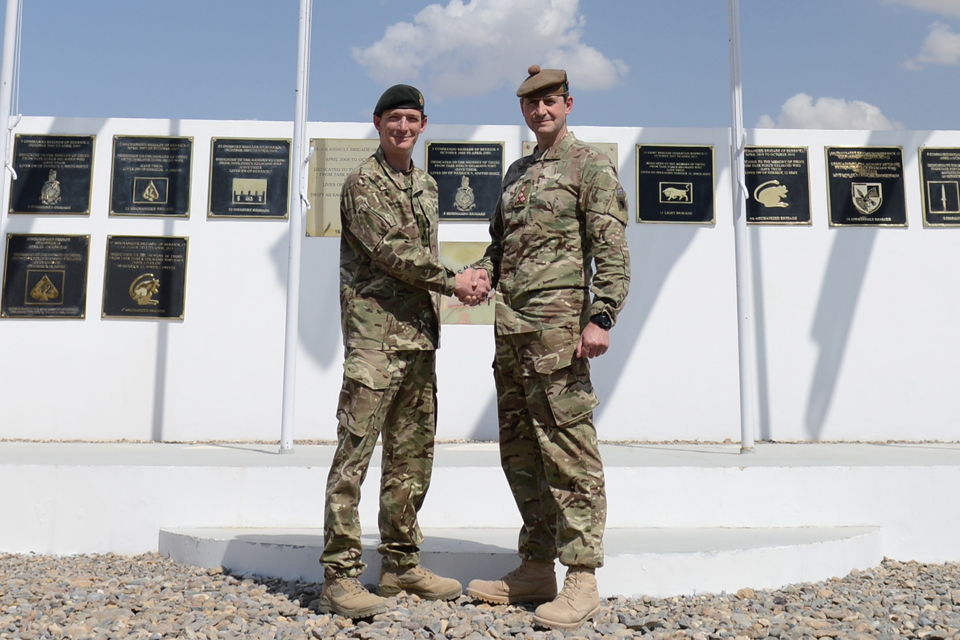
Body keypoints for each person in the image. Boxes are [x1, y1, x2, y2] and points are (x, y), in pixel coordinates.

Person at [465, 66, 631, 629]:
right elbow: (499, 246)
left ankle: (581, 577)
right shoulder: (516, 173)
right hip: (511, 334)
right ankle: (535, 567)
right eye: (531, 104)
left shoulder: (591, 166)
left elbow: (610, 245)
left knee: (568, 451)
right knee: (521, 454)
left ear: (568, 104)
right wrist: (481, 274)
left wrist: (602, 315)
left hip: (561, 333)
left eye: (550, 102)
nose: (540, 111)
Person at [319, 84, 490, 619]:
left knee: (411, 458)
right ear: (377, 123)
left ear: (422, 125)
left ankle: (399, 563)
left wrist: (469, 277)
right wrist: (455, 280)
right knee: (355, 456)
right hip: (375, 339)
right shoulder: (361, 183)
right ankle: (339, 576)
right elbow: (394, 252)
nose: (403, 128)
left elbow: (421, 251)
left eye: (412, 119)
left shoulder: (427, 184)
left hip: (417, 339)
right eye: (394, 118)